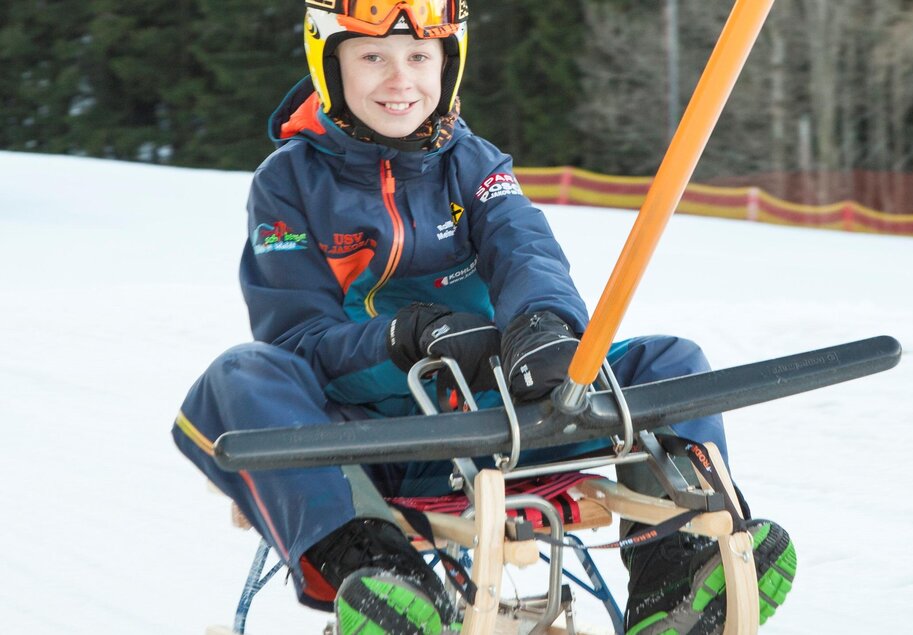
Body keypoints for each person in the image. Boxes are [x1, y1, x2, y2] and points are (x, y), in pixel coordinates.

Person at [172, 2, 794, 633]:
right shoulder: (289, 185)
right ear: (330, 67)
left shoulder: (473, 164)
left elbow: (524, 247)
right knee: (239, 379)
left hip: (505, 422)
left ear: (449, 63)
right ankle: (385, 580)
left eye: (419, 57)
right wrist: (401, 337)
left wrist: (544, 327)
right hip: (372, 440)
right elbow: (297, 339)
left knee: (669, 363)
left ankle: (679, 571)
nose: (400, 80)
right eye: (371, 58)